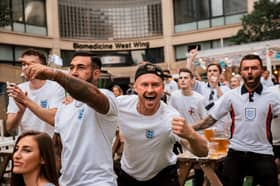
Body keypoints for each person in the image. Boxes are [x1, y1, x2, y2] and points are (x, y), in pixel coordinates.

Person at [20, 51, 118, 186]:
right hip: (66, 182)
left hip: (98, 182)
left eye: (81, 68)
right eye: (71, 68)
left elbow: (89, 94)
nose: (74, 72)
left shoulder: (106, 96)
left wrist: (54, 74)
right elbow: (58, 149)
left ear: (96, 74)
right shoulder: (64, 106)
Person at [191, 54, 280, 186]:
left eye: (254, 68)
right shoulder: (231, 96)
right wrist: (188, 129)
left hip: (263, 152)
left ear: (261, 70)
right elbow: (209, 120)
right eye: (246, 68)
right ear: (241, 72)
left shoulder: (273, 97)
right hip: (236, 152)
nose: (250, 72)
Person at [116, 63, 208, 186]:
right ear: (135, 88)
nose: (150, 89)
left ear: (163, 88)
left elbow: (203, 152)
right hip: (128, 176)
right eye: (144, 84)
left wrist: (191, 134)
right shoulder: (120, 104)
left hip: (162, 177)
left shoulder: (171, 117)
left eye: (155, 85)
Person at [6, 49, 65, 137]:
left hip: (48, 146)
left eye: (31, 64)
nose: (26, 67)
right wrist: (20, 112)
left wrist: (25, 100)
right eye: (24, 64)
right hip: (26, 145)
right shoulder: (18, 90)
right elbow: (10, 129)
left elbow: (54, 120)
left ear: (42, 67)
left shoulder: (56, 87)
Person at [169, 68, 207, 186]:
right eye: (180, 78)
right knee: (179, 166)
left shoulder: (199, 99)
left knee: (199, 170)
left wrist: (190, 130)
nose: (183, 80)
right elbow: (170, 115)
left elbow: (205, 121)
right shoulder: (174, 96)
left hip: (196, 137)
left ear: (192, 81)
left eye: (186, 78)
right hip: (179, 137)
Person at [186, 47, 231, 132]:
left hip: (222, 129)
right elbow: (188, 75)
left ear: (220, 73)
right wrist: (191, 59)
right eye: (209, 71)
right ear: (207, 74)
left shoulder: (226, 89)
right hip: (206, 128)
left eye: (215, 71)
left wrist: (216, 86)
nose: (212, 73)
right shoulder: (201, 86)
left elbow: (225, 103)